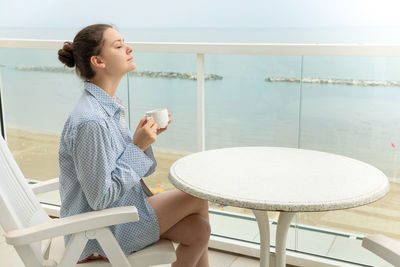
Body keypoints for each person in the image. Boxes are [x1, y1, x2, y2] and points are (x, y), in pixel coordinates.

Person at [57, 24, 210, 267]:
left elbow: (129, 170)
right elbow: (101, 199)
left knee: (199, 231)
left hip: (117, 213)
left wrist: (142, 141)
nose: (129, 48)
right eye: (118, 45)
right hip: (98, 232)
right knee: (197, 198)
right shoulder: (91, 121)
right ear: (98, 61)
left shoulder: (107, 107)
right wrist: (137, 147)